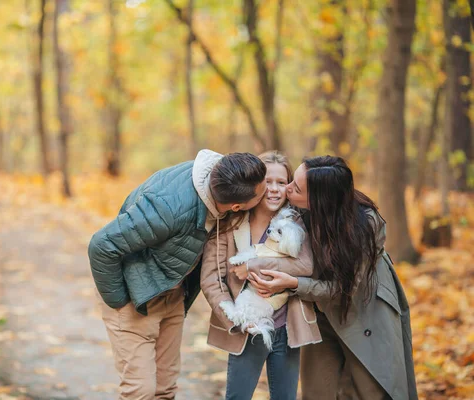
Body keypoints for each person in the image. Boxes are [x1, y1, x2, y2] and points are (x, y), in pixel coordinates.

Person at [88, 149, 267, 400]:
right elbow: (101, 246)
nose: (267, 191)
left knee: (165, 390)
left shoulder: (222, 179)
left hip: (172, 294)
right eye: (262, 192)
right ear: (237, 206)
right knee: (140, 391)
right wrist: (120, 302)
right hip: (135, 299)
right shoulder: (167, 208)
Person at [248, 155, 418, 400]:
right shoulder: (297, 210)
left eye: (295, 187)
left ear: (318, 200)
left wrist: (293, 284)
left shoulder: (366, 224)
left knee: (369, 391)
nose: (286, 189)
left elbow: (343, 288)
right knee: (317, 391)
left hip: (365, 308)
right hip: (320, 311)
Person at [201, 151, 322, 400]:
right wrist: (236, 320)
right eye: (268, 182)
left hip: (288, 328)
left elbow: (305, 266)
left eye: (281, 182)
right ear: (255, 185)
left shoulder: (294, 222)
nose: (275, 189)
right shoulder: (229, 224)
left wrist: (254, 264)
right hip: (248, 328)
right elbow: (212, 278)